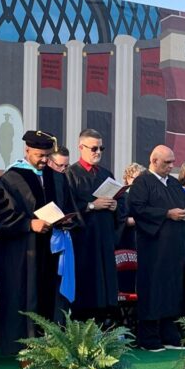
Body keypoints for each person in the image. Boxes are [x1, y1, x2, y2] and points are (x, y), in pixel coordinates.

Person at [0, 130, 79, 354]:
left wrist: (68, 221)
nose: (44, 160)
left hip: (53, 249)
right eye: (39, 155)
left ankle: (54, 344)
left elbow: (70, 206)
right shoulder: (9, 179)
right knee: (25, 295)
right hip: (22, 253)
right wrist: (29, 224)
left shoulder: (57, 177)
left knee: (53, 297)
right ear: (27, 150)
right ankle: (23, 346)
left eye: (47, 156)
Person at [127, 145, 185, 350]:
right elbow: (138, 209)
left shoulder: (174, 184)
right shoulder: (143, 182)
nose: (171, 166)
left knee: (173, 289)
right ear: (154, 161)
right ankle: (149, 338)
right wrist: (166, 213)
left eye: (172, 162)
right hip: (154, 246)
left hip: (176, 246)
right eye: (167, 162)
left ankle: (170, 335)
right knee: (153, 289)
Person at [65, 129, 119, 321]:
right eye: (93, 148)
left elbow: (118, 210)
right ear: (81, 148)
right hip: (84, 241)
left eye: (101, 148)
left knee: (105, 285)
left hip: (104, 237)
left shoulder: (106, 173)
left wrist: (114, 206)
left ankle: (105, 324)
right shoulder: (70, 174)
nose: (98, 152)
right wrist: (91, 205)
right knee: (87, 286)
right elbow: (67, 208)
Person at [115, 162, 145, 296]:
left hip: (143, 239)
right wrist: (144, 219)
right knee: (127, 276)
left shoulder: (146, 196)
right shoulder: (123, 196)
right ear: (127, 178)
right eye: (133, 178)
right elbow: (122, 220)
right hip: (128, 240)